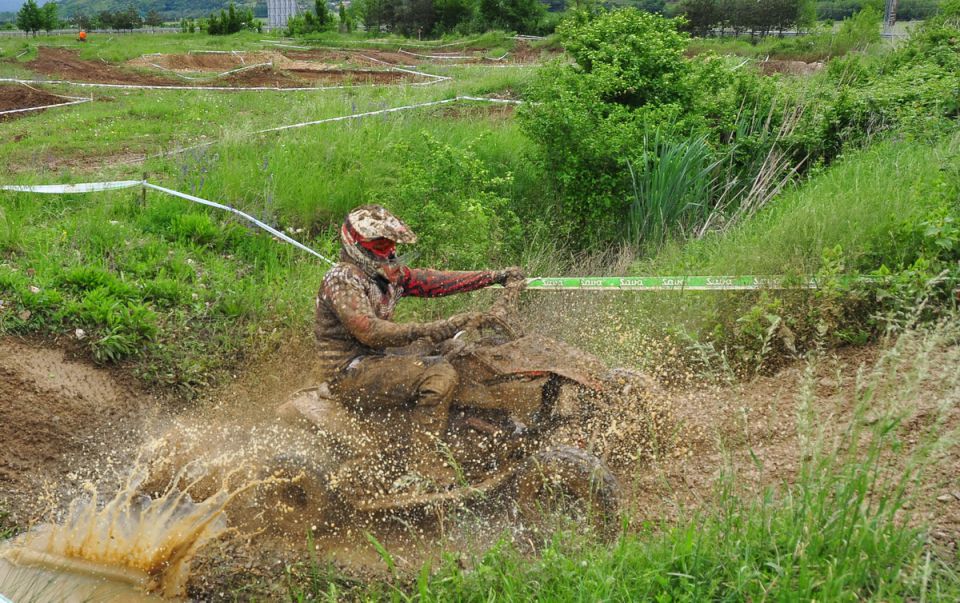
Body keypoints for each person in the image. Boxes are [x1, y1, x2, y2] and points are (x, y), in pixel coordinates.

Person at [315, 205, 523, 488]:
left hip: (378, 358)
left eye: (391, 245)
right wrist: (437, 326)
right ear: (357, 244)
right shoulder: (342, 278)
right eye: (380, 245)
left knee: (451, 348)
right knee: (439, 375)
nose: (389, 252)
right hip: (350, 370)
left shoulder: (386, 274)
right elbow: (370, 331)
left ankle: (474, 426)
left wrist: (492, 277)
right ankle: (421, 461)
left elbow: (435, 281)